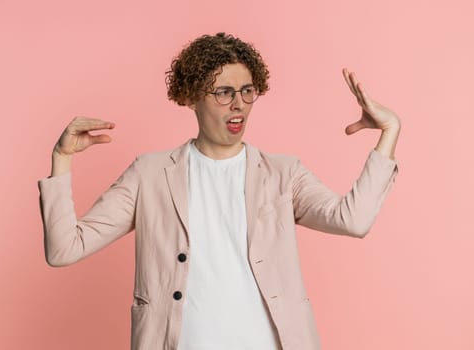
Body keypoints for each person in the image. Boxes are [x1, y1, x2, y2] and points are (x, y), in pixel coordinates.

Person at [38, 32, 400, 350]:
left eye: (247, 90)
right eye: (224, 92)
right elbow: (65, 248)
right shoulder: (149, 175)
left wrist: (389, 133)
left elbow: (353, 220)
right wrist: (62, 158)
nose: (238, 103)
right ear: (192, 97)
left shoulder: (283, 174)